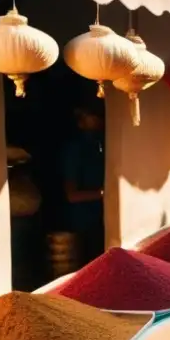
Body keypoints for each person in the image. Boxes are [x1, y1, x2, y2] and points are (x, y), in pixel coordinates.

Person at [63, 105, 106, 264]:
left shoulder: (101, 144)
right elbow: (72, 195)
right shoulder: (76, 150)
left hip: (101, 219)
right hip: (84, 223)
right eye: (91, 116)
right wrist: (104, 194)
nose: (97, 119)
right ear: (80, 122)